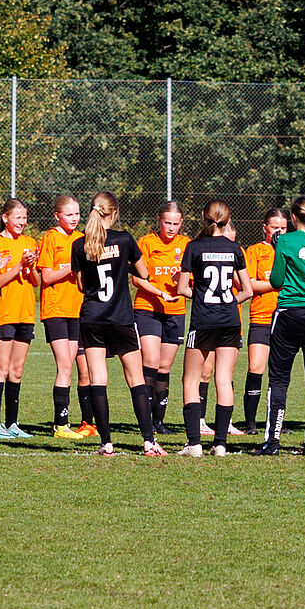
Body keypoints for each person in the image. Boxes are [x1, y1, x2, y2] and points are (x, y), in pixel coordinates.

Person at [71, 191, 167, 456]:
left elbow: (81, 285)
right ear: (113, 214)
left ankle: (106, 442)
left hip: (92, 317)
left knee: (98, 379)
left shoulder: (80, 245)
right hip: (121, 317)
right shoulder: (124, 239)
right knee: (136, 378)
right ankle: (148, 440)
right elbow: (145, 273)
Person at [252, 198, 305, 456]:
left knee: (279, 379)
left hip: (290, 313)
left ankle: (273, 441)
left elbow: (277, 280)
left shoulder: (287, 241)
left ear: (292, 216)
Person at [177, 200, 248, 457]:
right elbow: (247, 290)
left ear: (204, 217)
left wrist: (200, 296)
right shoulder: (235, 248)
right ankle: (220, 444)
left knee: (191, 380)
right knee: (223, 379)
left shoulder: (193, 247)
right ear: (227, 219)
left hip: (203, 320)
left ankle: (194, 444)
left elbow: (181, 288)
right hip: (230, 320)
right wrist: (228, 301)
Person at [36, 195, 93, 440]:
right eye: (69, 214)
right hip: (56, 310)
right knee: (65, 367)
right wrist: (71, 266)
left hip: (78, 310)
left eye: (77, 214)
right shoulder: (50, 238)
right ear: (57, 216)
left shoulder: (81, 238)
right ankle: (61, 425)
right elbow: (46, 277)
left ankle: (83, 422)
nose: (74, 218)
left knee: (80, 368)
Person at [0, 199, 38, 438]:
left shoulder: (29, 242)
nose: (22, 222)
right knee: (1, 368)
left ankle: (12, 424)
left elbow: (36, 281)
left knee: (17, 371)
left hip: (26, 313)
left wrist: (31, 266)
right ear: (5, 218)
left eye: (24, 218)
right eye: (18, 218)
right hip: (5, 312)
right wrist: (18, 266)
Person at [135, 201, 190, 432]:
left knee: (165, 368)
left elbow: (194, 280)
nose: (171, 228)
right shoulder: (147, 243)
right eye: (167, 222)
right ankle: (145, 421)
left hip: (175, 311)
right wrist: (159, 293)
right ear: (159, 220)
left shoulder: (187, 245)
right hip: (148, 308)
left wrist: (182, 282)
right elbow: (137, 279)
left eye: (176, 224)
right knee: (150, 362)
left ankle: (159, 421)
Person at [238, 207, 286, 435]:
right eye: (275, 228)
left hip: (286, 318)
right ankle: (250, 423)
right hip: (262, 316)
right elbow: (250, 283)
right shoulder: (255, 251)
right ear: (265, 228)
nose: (279, 232)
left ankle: (275, 421)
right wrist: (275, 285)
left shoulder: (290, 249)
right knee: (256, 368)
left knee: (279, 373)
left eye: (284, 228)